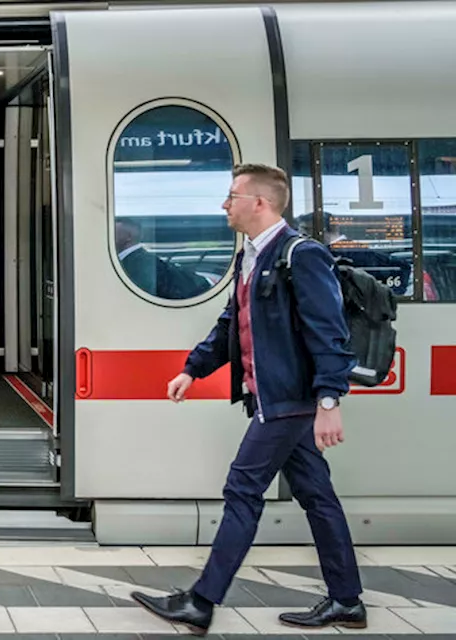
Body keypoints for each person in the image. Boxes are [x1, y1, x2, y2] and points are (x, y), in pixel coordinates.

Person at [131, 164, 365, 635]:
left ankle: (201, 601)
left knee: (242, 490)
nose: (224, 205)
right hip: (273, 399)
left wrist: (328, 400)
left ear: (260, 202)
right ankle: (347, 601)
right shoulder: (251, 256)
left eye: (232, 196)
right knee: (318, 496)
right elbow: (228, 326)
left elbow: (329, 333)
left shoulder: (301, 255)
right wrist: (192, 369)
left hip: (289, 401)